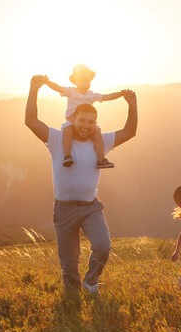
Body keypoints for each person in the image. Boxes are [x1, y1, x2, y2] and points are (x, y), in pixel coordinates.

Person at [25, 74, 137, 294]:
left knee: (103, 248)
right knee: (69, 264)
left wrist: (132, 106)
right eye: (82, 120)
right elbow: (31, 121)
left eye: (91, 122)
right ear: (72, 119)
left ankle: (91, 281)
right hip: (64, 209)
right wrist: (34, 90)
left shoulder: (101, 141)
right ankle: (73, 299)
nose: (86, 126)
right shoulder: (57, 139)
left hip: (90, 208)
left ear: (95, 124)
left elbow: (129, 132)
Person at [40, 64, 126, 169]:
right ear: (75, 82)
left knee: (97, 134)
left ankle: (101, 159)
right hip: (72, 120)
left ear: (90, 82)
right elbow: (58, 88)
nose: (84, 83)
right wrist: (47, 82)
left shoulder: (92, 95)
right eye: (81, 81)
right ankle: (67, 155)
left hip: (86, 122)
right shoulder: (71, 91)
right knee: (68, 131)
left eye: (86, 81)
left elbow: (107, 97)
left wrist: (121, 94)